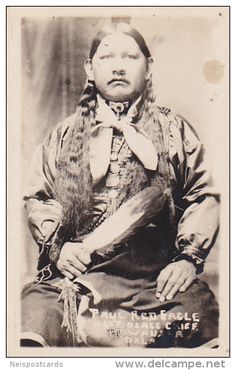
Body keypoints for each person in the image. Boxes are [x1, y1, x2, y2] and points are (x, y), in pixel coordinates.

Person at [21, 22, 219, 348]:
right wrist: (60, 249)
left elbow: (203, 196)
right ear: (89, 68)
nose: (117, 65)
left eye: (129, 56)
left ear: (149, 67)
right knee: (33, 312)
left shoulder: (175, 131)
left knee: (200, 312)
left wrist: (188, 259)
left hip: (154, 284)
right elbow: (39, 197)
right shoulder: (64, 135)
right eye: (106, 56)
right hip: (79, 280)